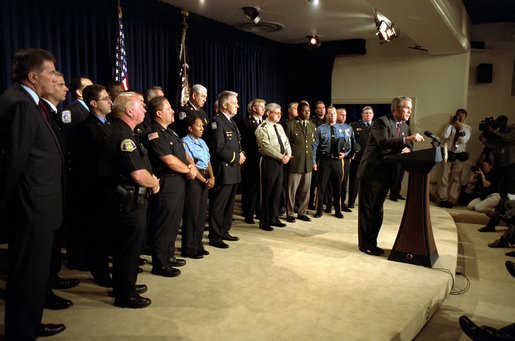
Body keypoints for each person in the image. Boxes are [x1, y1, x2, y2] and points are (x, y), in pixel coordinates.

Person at [0, 48, 66, 339]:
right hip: (30, 208)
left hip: (40, 206)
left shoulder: (30, 102)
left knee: (34, 277)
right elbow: (13, 160)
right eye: (51, 73)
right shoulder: (19, 104)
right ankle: (21, 332)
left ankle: (29, 323)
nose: (54, 78)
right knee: (27, 276)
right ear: (32, 76)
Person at [98, 92, 160, 308]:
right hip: (127, 204)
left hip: (128, 202)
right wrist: (154, 182)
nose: (145, 109)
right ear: (129, 111)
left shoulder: (126, 131)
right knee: (128, 251)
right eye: (141, 106)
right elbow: (137, 175)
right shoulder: (123, 135)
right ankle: (126, 294)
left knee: (126, 250)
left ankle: (124, 285)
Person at [358, 96, 424, 256]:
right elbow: (384, 142)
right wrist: (407, 140)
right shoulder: (381, 122)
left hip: (387, 173)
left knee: (378, 211)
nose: (410, 111)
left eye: (411, 108)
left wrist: (408, 148)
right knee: (368, 211)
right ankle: (365, 244)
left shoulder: (405, 126)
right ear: (395, 109)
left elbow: (407, 145)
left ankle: (373, 242)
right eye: (407, 107)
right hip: (372, 172)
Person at [41, 72, 79, 311]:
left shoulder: (53, 114)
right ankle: (44, 291)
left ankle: (51, 280)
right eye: (60, 84)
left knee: (53, 245)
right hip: (42, 195)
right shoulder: (35, 111)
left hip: (57, 190)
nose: (65, 88)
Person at [145, 96, 194, 276]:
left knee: (174, 222)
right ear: (159, 113)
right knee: (164, 224)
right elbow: (169, 161)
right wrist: (188, 171)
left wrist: (191, 166)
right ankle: (160, 263)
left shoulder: (171, 132)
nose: (173, 111)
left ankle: (169, 256)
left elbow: (184, 153)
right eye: (169, 109)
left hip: (178, 181)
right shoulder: (154, 133)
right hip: (167, 181)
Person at [72, 84, 114, 287]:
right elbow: (89, 164)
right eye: (106, 98)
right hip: (96, 190)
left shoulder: (107, 124)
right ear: (94, 103)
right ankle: (100, 272)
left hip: (109, 189)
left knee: (107, 233)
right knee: (98, 233)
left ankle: (105, 265)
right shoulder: (86, 128)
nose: (110, 101)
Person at [206, 90, 245, 248]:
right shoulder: (216, 122)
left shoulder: (231, 121)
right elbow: (218, 148)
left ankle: (224, 231)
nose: (237, 105)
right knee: (218, 205)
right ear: (224, 105)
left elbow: (236, 143)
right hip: (223, 169)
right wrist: (237, 157)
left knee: (229, 205)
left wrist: (241, 153)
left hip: (233, 170)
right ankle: (215, 237)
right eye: (234, 102)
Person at [255, 103, 292, 231]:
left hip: (281, 162)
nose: (279, 115)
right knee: (267, 192)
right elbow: (265, 147)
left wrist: (288, 154)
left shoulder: (280, 127)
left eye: (280, 113)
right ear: (268, 113)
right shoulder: (262, 127)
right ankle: (264, 221)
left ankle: (274, 218)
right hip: (269, 162)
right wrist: (280, 156)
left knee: (277, 191)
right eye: (276, 113)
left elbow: (286, 142)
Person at [182, 116, 215, 258]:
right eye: (199, 126)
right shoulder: (184, 142)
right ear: (190, 128)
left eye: (203, 126)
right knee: (192, 214)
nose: (202, 129)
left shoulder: (202, 141)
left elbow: (207, 161)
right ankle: (188, 248)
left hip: (204, 178)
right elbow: (191, 165)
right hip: (194, 179)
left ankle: (198, 244)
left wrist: (212, 176)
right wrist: (205, 180)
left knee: (201, 215)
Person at [285, 101, 316, 223]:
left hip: (307, 163)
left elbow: (312, 145)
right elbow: (286, 144)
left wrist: (313, 161)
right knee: (291, 190)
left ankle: (302, 212)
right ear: (298, 112)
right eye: (304, 111)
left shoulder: (312, 126)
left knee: (305, 190)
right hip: (295, 163)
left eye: (308, 111)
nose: (307, 113)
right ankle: (290, 213)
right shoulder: (290, 125)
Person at [436, 108, 472, 208]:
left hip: (460, 155)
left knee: (456, 178)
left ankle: (451, 200)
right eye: (458, 115)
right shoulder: (450, 126)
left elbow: (463, 140)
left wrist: (460, 128)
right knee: (444, 176)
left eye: (462, 116)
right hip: (448, 153)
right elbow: (444, 136)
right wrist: (450, 124)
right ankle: (443, 198)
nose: (460, 117)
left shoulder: (467, 128)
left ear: (465, 117)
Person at [239, 99, 266, 224]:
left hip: (262, 160)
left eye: (264, 106)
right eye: (261, 107)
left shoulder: (265, 123)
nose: (263, 109)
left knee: (260, 188)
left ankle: (259, 211)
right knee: (250, 188)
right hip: (250, 160)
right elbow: (242, 143)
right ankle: (248, 214)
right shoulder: (245, 123)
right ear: (254, 108)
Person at [348, 106, 374, 208]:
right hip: (357, 158)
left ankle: (367, 202)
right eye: (366, 113)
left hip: (371, 159)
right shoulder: (354, 125)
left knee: (369, 182)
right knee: (354, 181)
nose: (368, 115)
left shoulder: (376, 126)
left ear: (373, 115)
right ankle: (351, 202)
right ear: (362, 115)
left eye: (370, 113)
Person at [336, 107, 355, 212]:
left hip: (346, 158)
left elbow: (352, 143)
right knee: (334, 182)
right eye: (341, 114)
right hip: (335, 158)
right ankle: (331, 203)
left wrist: (347, 153)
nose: (343, 117)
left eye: (345, 115)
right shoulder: (332, 127)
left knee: (344, 182)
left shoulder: (349, 128)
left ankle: (342, 202)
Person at [308, 100, 326, 210]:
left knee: (324, 181)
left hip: (326, 155)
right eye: (319, 108)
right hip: (315, 154)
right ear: (315, 110)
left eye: (323, 107)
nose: (322, 109)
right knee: (313, 181)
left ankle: (322, 202)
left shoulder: (328, 120)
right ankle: (310, 202)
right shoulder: (312, 121)